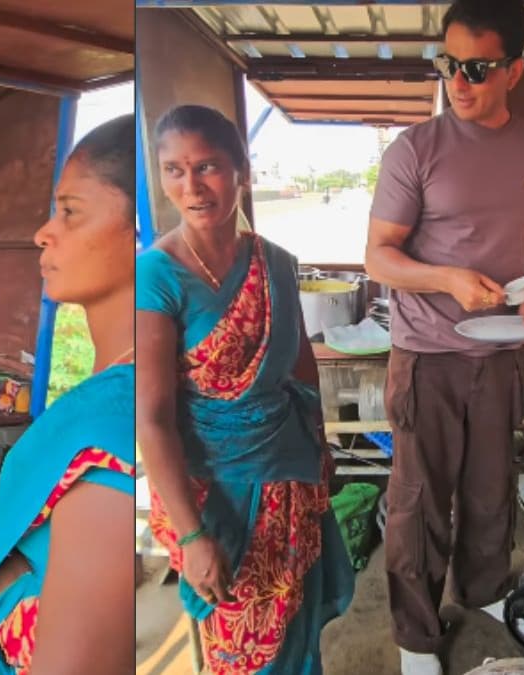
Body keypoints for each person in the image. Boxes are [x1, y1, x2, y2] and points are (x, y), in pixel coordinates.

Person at [363, 1, 524, 673]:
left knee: (489, 492)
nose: (459, 81)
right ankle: (417, 639)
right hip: (427, 356)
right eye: (449, 64)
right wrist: (448, 278)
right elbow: (379, 258)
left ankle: (479, 601)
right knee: (418, 504)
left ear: (515, 71)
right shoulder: (416, 149)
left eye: (477, 68)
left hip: (501, 356)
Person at [0, 114, 137, 675]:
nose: (44, 231)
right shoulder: (118, 391)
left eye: (70, 210)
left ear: (141, 233)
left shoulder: (114, 432)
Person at [136, 104, 355, 675]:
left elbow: (302, 372)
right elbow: (152, 419)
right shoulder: (157, 276)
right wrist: (193, 536)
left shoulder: (277, 264)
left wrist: (323, 450)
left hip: (289, 478)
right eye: (173, 170)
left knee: (297, 627)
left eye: (207, 166)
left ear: (241, 171)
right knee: (236, 643)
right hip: (216, 499)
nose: (191, 187)